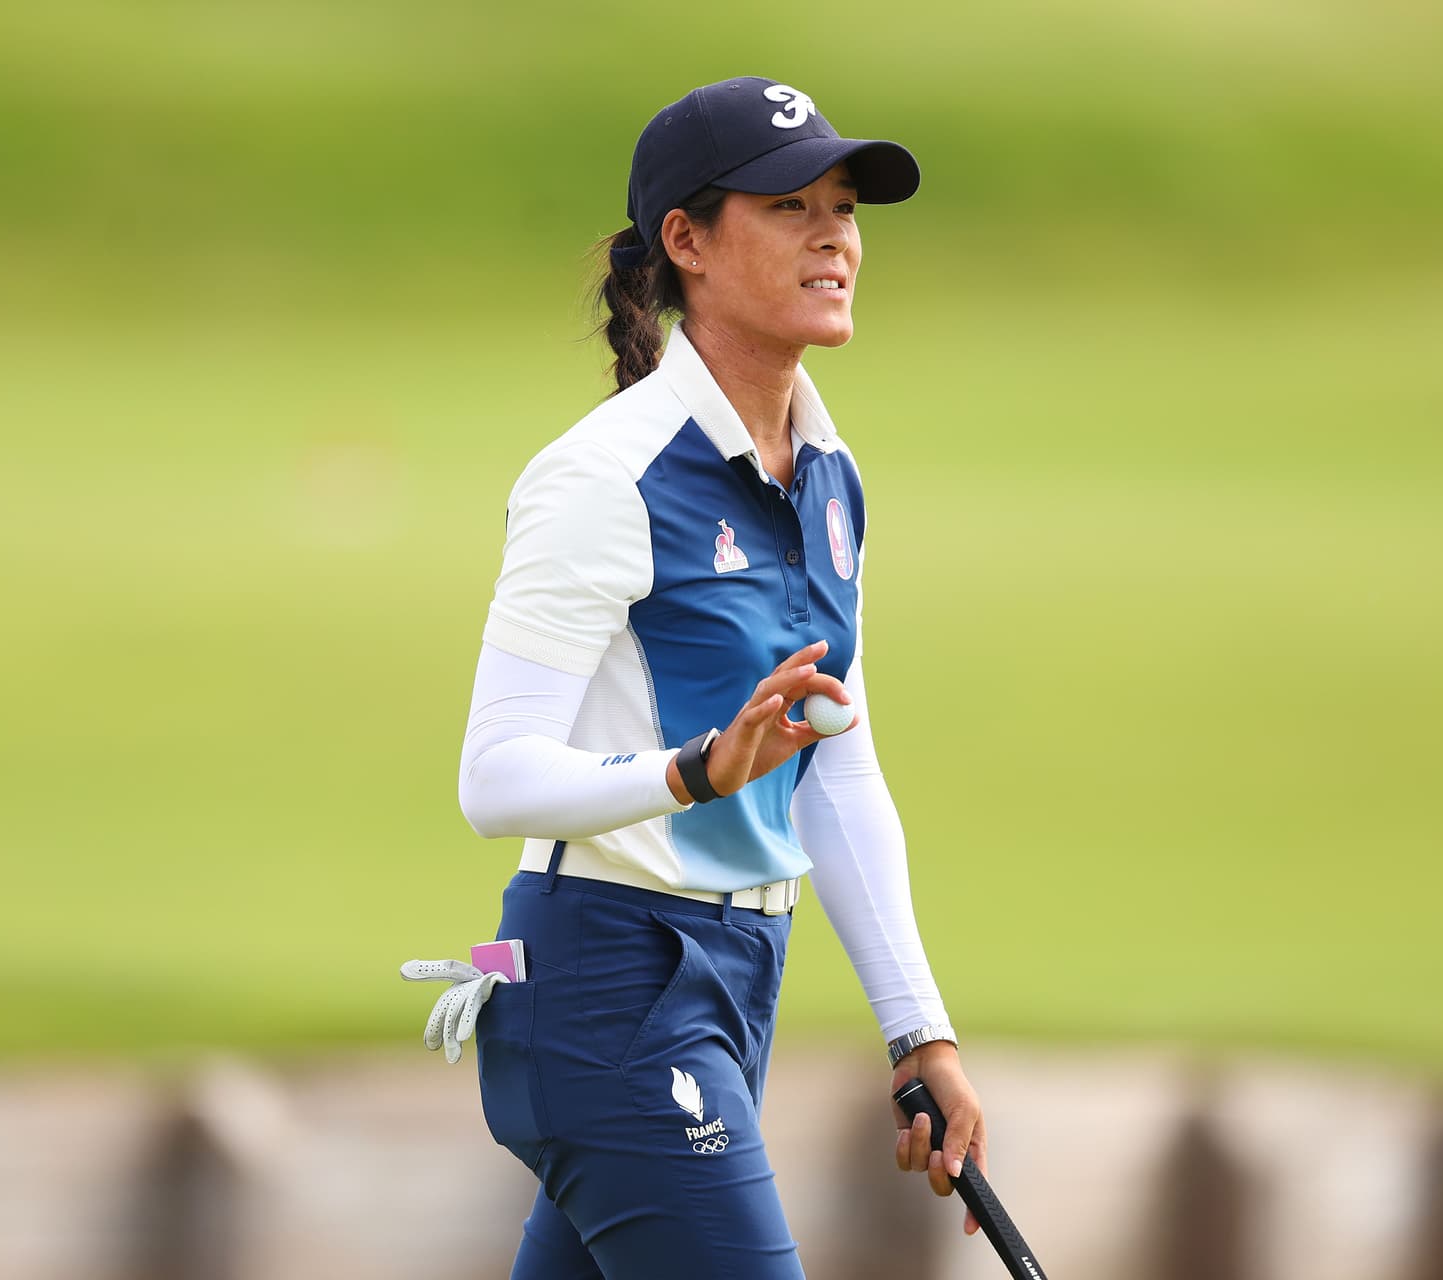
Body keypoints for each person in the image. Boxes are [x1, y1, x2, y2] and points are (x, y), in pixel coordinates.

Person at [420, 76, 986, 1278]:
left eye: (844, 209)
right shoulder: (604, 478)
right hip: (608, 981)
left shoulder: (828, 475)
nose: (834, 238)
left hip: (735, 980)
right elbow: (493, 776)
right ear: (687, 240)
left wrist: (918, 1029)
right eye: (790, 207)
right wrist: (694, 770)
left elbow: (840, 769)